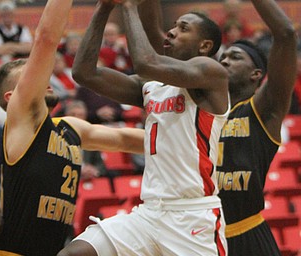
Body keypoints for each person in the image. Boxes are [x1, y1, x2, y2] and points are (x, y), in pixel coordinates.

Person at [58, 0, 229, 255]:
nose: (171, 32)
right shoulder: (152, 85)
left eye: (183, 28)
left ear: (204, 45)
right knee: (74, 253)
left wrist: (127, 6)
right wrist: (104, 7)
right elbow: (85, 73)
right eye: (173, 26)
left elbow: (147, 62)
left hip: (192, 215)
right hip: (149, 213)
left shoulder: (212, 73)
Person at [0, 0, 144, 255]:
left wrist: (194, 139)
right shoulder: (22, 124)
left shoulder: (68, 127)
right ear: (11, 97)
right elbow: (46, 39)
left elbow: (124, 139)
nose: (44, 77)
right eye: (29, 74)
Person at [216, 0, 297, 255]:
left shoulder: (263, 108)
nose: (225, 61)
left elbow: (286, 34)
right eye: (223, 57)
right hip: (201, 233)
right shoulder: (201, 109)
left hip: (246, 233)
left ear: (256, 74)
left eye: (235, 57)